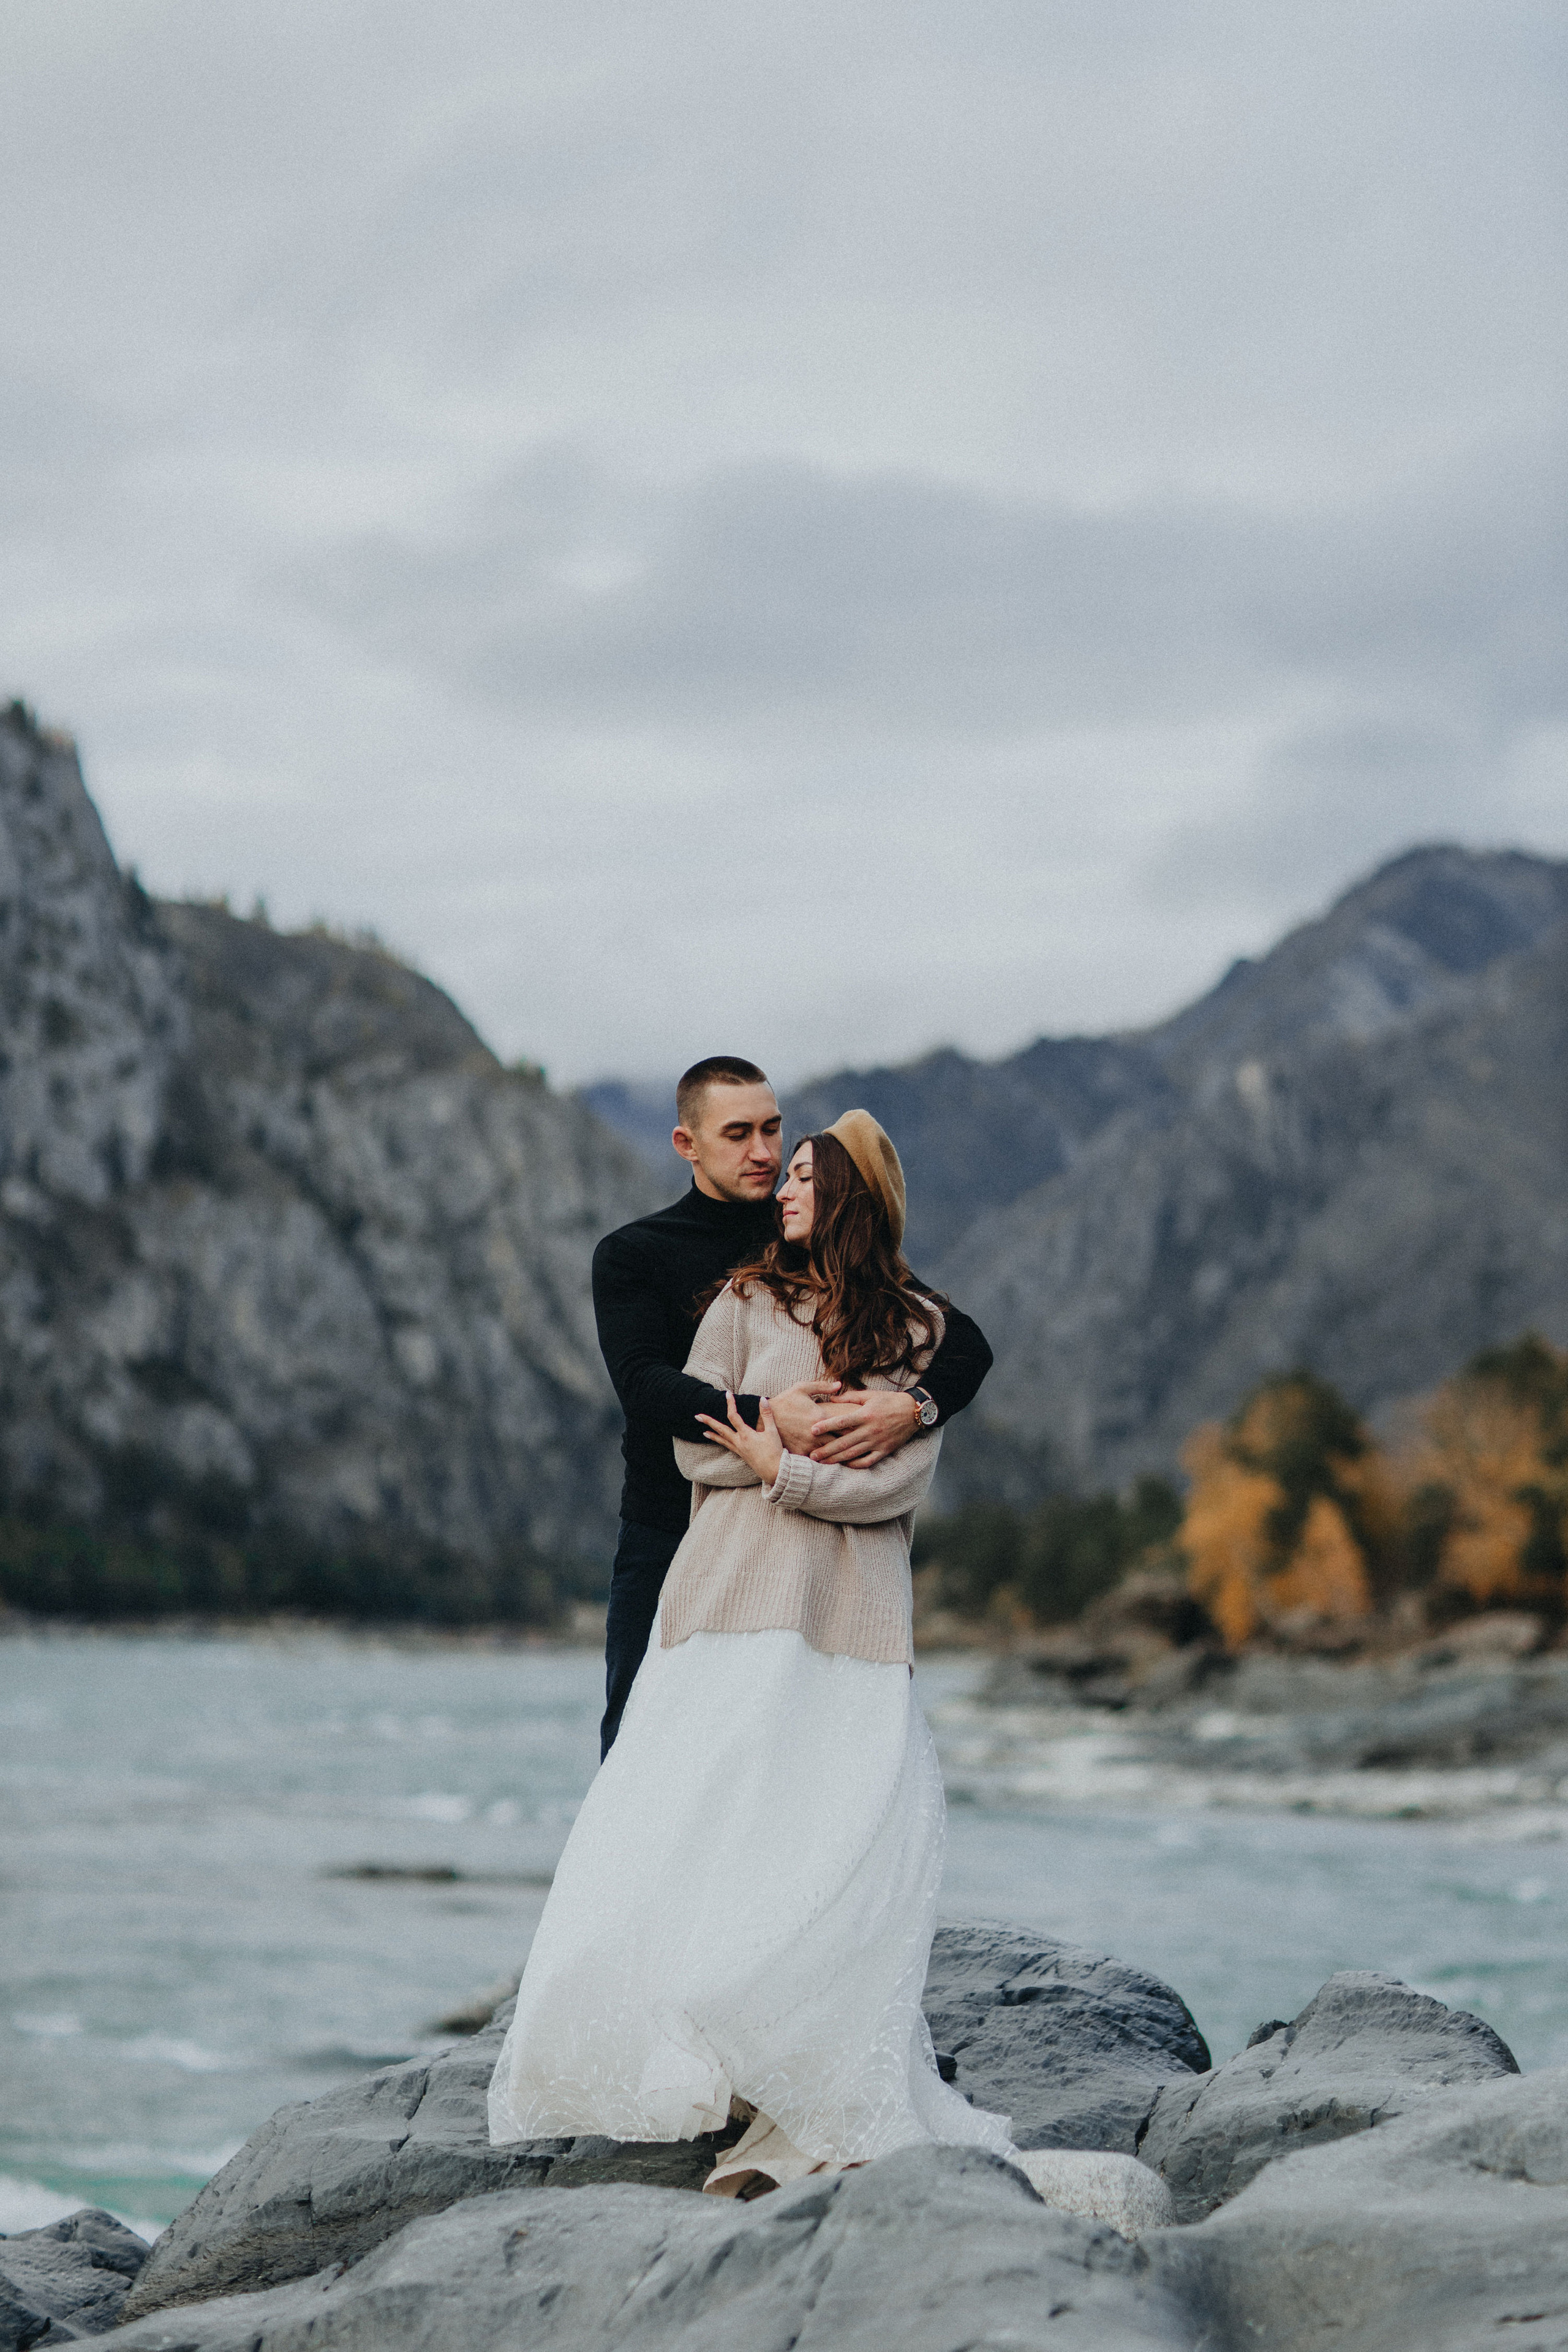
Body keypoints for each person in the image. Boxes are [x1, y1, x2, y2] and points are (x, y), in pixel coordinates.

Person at [488, 1110, 1017, 2193]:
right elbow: (691, 1441)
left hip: (854, 1623)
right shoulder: (741, 1300)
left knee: (830, 1851)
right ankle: (705, 2073)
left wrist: (792, 1469)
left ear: (855, 1198)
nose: (784, 1187)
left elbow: (898, 1486)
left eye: (806, 1175)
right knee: (704, 1832)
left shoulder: (920, 1330)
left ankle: (803, 2106)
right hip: (727, 1602)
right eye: (782, 1169)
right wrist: (774, 1435)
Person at [591, 1055, 993, 1755]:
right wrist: (773, 1412)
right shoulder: (634, 1253)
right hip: (666, 1531)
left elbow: (961, 1340)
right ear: (687, 1145)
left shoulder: (807, 1232)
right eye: (738, 1134)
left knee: (785, 1754)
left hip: (793, 1539)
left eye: (773, 1130)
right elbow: (644, 1385)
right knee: (640, 1750)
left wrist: (915, 1409)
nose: (764, 1154)